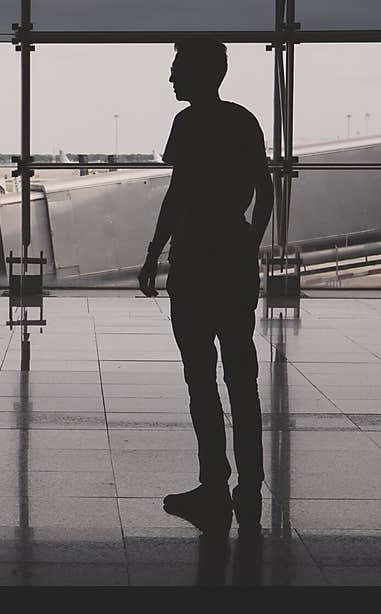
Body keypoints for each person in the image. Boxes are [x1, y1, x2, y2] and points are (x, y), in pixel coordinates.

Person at [138, 38, 273, 533]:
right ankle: (249, 486)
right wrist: (248, 243)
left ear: (198, 73)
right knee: (242, 377)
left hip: (195, 261)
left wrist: (154, 253)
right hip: (232, 259)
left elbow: (179, 194)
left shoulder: (189, 124)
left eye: (176, 69)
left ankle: (213, 483)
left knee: (201, 379)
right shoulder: (244, 120)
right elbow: (265, 189)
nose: (171, 78)